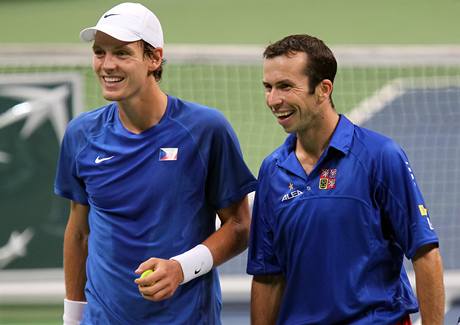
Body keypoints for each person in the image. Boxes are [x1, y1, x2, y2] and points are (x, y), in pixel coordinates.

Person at [54, 3, 257, 324]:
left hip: (186, 318)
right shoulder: (81, 134)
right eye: (99, 52)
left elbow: (240, 225)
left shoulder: (205, 130)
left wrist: (181, 268)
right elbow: (79, 232)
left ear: (154, 58)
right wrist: (72, 317)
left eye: (121, 53)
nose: (107, 65)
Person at [246, 34, 445, 325]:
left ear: (324, 89)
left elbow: (425, 252)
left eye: (286, 87)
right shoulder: (272, 170)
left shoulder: (380, 156)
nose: (274, 100)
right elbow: (268, 275)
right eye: (268, 87)